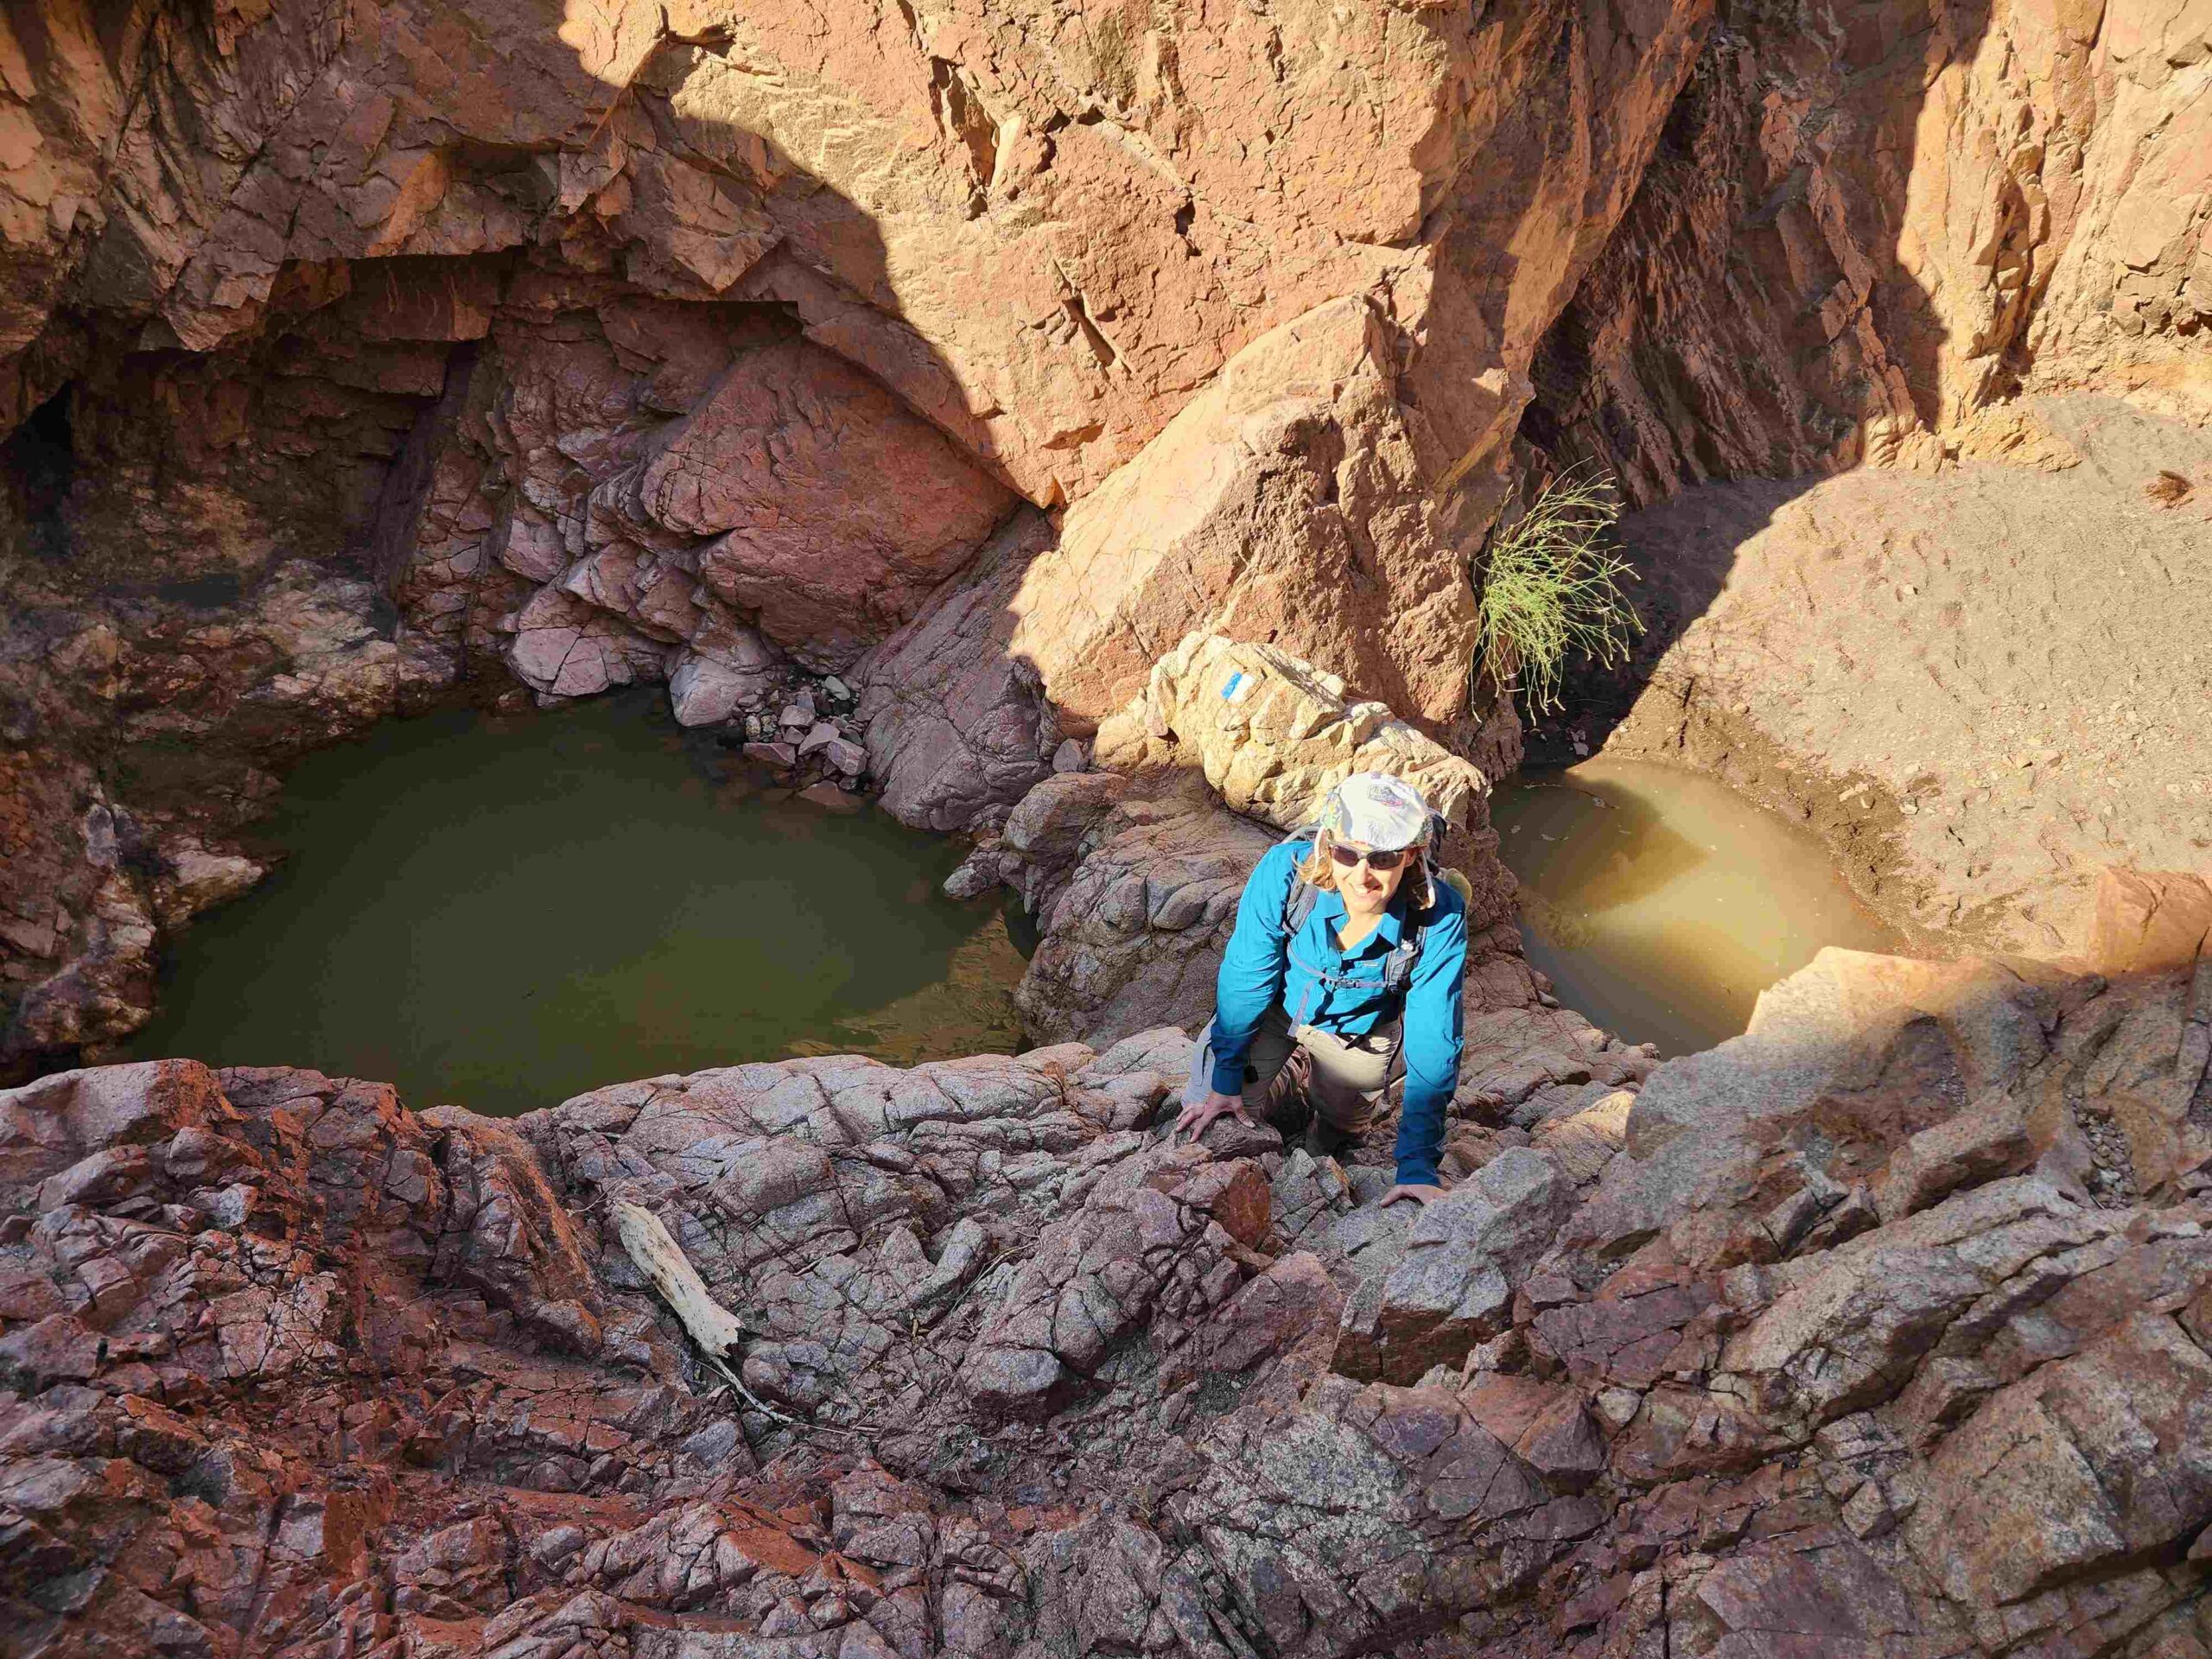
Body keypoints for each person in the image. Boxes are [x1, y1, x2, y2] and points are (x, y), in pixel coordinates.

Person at [1175, 772, 1467, 1205]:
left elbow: (1435, 1036)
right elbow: (1246, 979)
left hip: (1360, 1034)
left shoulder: (1438, 915)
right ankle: (1289, 1074)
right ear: (1328, 845)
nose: (1363, 876)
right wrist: (1224, 1080)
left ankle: (1322, 1133)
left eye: (1383, 859)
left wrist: (1418, 1165)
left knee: (1343, 1127)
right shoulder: (1285, 873)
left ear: (1412, 855)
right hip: (1276, 1012)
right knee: (1210, 1117)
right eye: (1348, 853)